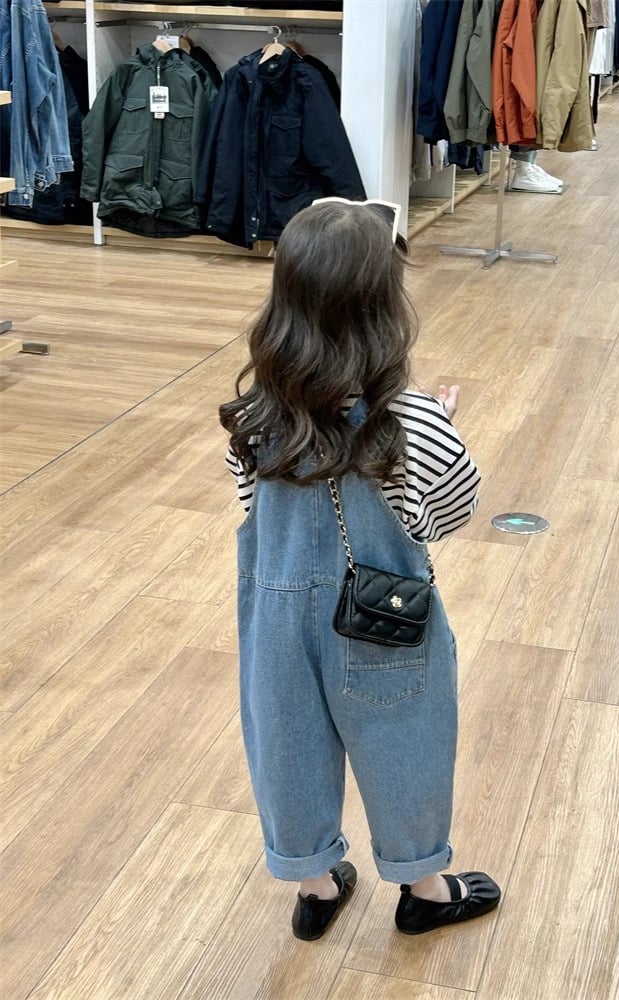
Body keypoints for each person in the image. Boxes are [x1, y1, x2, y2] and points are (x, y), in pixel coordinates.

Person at [219, 199, 501, 941]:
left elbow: (249, 503)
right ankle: (425, 889)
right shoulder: (412, 419)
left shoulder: (252, 418)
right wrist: (442, 425)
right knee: (406, 739)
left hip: (276, 624)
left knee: (287, 747)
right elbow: (452, 509)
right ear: (384, 310)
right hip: (384, 619)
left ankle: (315, 887)